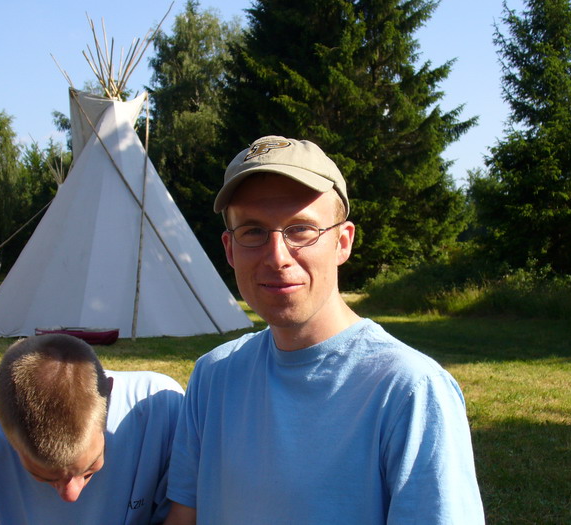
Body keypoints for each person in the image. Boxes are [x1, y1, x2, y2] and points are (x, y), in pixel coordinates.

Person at [163, 135, 485, 524]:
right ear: (230, 249)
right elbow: (185, 515)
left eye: (301, 229)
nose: (277, 257)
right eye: (253, 231)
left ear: (342, 242)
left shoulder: (409, 391)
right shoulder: (214, 376)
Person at [0, 333, 184, 525]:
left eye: (88, 469)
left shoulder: (159, 407)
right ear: (2, 431)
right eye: (46, 477)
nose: (71, 495)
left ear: (107, 398)